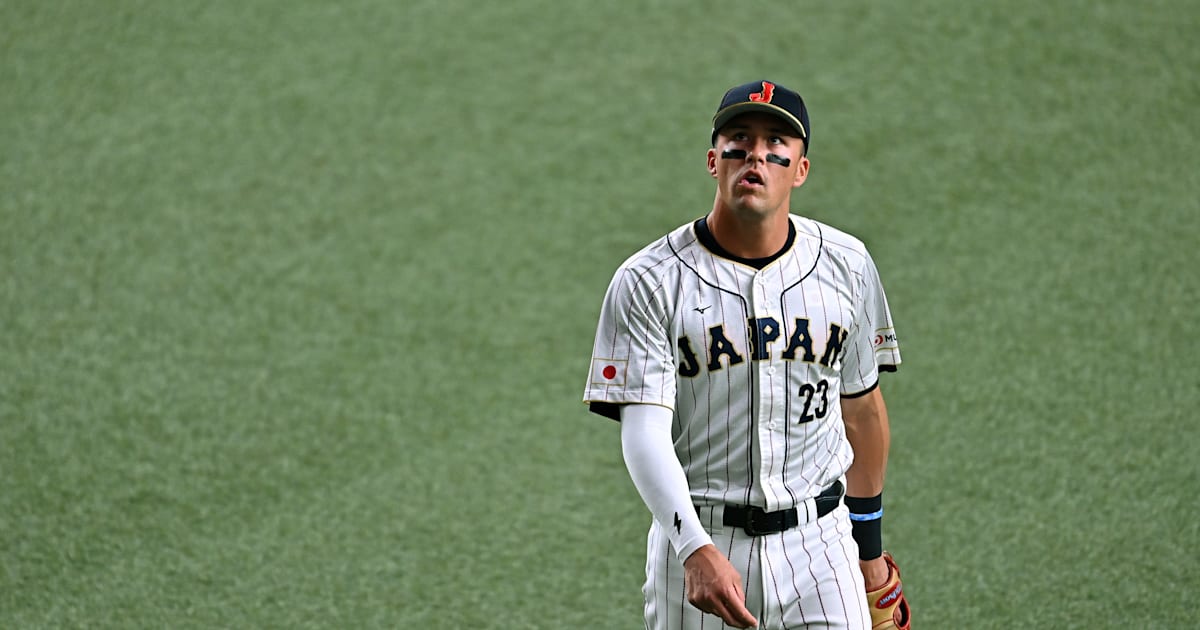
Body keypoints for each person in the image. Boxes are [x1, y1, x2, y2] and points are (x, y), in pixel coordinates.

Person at [583, 80, 911, 629]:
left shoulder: (848, 266)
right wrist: (692, 548)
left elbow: (861, 408)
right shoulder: (647, 281)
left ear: (800, 169)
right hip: (701, 539)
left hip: (822, 547)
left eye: (775, 142)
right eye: (739, 139)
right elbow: (643, 432)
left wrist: (870, 552)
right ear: (714, 161)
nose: (755, 155)